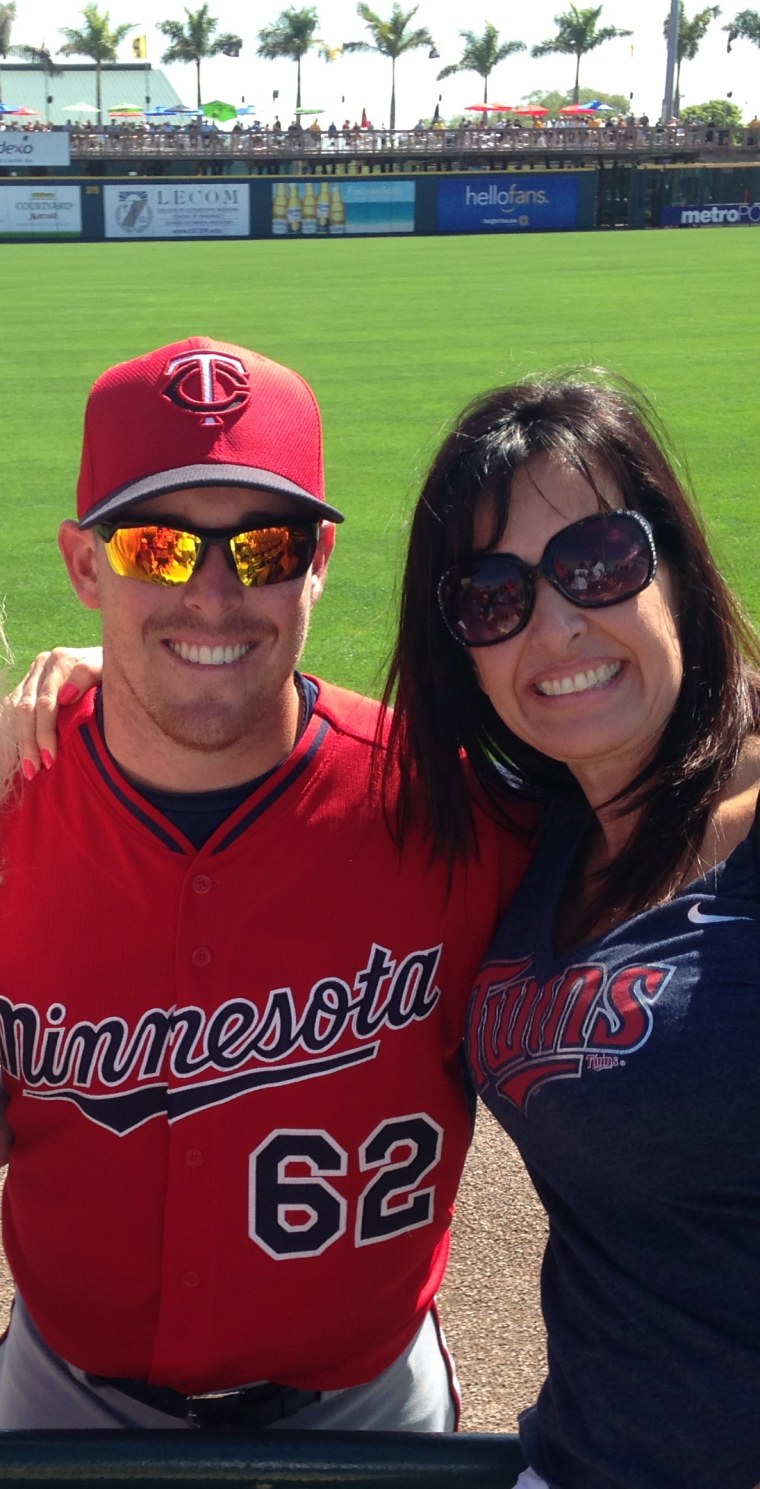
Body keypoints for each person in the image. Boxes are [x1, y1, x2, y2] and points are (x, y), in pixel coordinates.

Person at [0, 336, 531, 1433]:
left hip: (370, 1409)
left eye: (262, 549)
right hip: (63, 1399)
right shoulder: (15, 806)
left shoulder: (458, 810)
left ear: (319, 558)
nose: (209, 594)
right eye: (156, 547)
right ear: (86, 565)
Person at [384, 371, 760, 1489]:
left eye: (597, 562)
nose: (554, 626)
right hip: (584, 1457)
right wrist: (95, 685)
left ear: (680, 570)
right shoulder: (535, 831)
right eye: (491, 597)